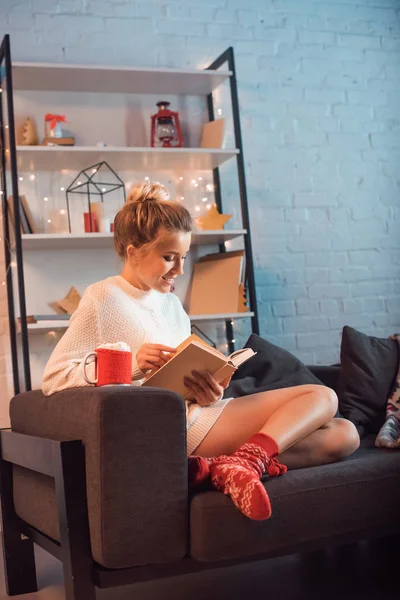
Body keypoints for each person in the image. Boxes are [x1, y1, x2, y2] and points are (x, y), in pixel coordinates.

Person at [42, 182, 360, 521]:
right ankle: (247, 460)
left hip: (199, 413)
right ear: (133, 252)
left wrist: (211, 391)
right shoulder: (103, 298)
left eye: (183, 258)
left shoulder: (173, 306)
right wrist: (132, 366)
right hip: (168, 425)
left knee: (343, 435)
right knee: (322, 396)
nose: (179, 270)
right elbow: (54, 378)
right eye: (168, 258)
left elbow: (186, 379)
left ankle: (216, 468)